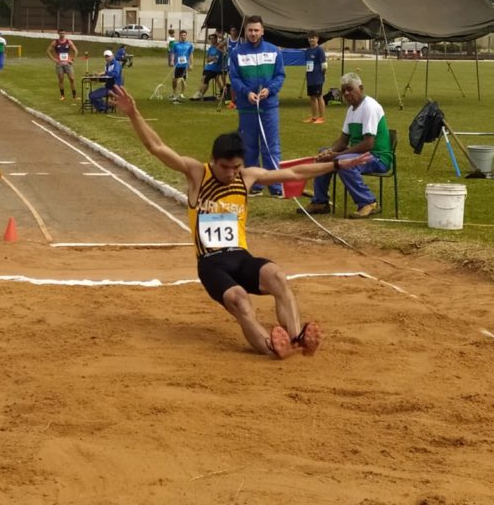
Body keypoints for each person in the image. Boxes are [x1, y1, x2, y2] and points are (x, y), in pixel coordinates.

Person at [111, 85, 370, 358]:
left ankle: (296, 337)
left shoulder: (247, 177)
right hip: (212, 264)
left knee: (277, 276)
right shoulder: (197, 174)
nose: (233, 174)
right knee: (238, 299)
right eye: (226, 168)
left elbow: (294, 173)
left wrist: (338, 165)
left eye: (237, 167)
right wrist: (133, 114)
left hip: (241, 257)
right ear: (214, 161)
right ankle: (271, 346)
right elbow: (157, 147)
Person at [306, 72, 394, 218]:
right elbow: (343, 141)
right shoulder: (351, 110)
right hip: (361, 154)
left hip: (378, 157)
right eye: (343, 90)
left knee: (345, 162)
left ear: (361, 88)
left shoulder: (369, 107)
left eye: (350, 89)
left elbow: (368, 144)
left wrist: (338, 155)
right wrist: (329, 151)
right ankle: (320, 202)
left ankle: (368, 202)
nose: (346, 93)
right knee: (324, 154)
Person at [228, 16, 286, 197]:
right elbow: (234, 78)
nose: (253, 34)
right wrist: (246, 93)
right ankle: (255, 184)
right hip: (247, 108)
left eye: (256, 30)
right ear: (246, 31)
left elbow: (280, 75)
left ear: (262, 31)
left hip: (268, 107)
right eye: (250, 30)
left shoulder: (273, 51)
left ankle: (275, 185)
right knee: (249, 147)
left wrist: (270, 90)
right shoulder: (237, 52)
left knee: (270, 147)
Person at [46, 29, 78, 101]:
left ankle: (74, 96)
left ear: (65, 33)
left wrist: (72, 60)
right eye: (61, 33)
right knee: (61, 79)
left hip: (68, 64)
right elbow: (48, 51)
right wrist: (54, 59)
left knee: (72, 79)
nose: (62, 35)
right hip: (59, 64)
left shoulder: (68, 42)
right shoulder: (55, 42)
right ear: (58, 34)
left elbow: (76, 51)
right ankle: (62, 96)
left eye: (63, 33)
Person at [303, 32, 328, 124]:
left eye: (313, 38)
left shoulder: (319, 50)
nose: (311, 40)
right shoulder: (307, 51)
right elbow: (308, 63)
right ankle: (314, 117)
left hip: (318, 77)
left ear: (317, 39)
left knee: (319, 96)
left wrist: (323, 75)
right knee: (312, 97)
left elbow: (324, 65)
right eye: (309, 38)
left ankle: (321, 117)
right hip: (310, 77)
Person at [192, 32, 224, 100]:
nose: (212, 40)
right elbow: (208, 60)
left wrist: (212, 58)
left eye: (213, 39)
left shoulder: (219, 47)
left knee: (207, 78)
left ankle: (201, 94)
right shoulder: (210, 48)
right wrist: (212, 58)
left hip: (216, 68)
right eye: (211, 39)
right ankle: (199, 92)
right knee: (203, 78)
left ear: (216, 39)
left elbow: (217, 60)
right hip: (208, 67)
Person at [170, 29, 194, 103]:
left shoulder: (189, 45)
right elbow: (173, 53)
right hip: (177, 65)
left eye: (184, 35)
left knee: (179, 80)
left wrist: (191, 64)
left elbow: (191, 55)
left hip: (185, 65)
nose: (183, 36)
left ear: (186, 36)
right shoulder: (176, 44)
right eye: (182, 35)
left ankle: (180, 94)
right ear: (179, 36)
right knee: (175, 80)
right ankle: (174, 92)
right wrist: (171, 61)